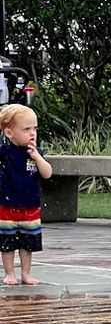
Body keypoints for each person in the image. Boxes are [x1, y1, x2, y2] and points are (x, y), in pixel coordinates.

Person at [0, 104, 52, 286]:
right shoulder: (4, 153)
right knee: (7, 242)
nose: (32, 133)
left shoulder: (35, 154)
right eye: (26, 129)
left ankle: (26, 273)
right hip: (7, 207)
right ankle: (9, 273)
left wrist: (38, 157)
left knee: (27, 243)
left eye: (35, 129)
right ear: (9, 133)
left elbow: (47, 173)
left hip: (30, 207)